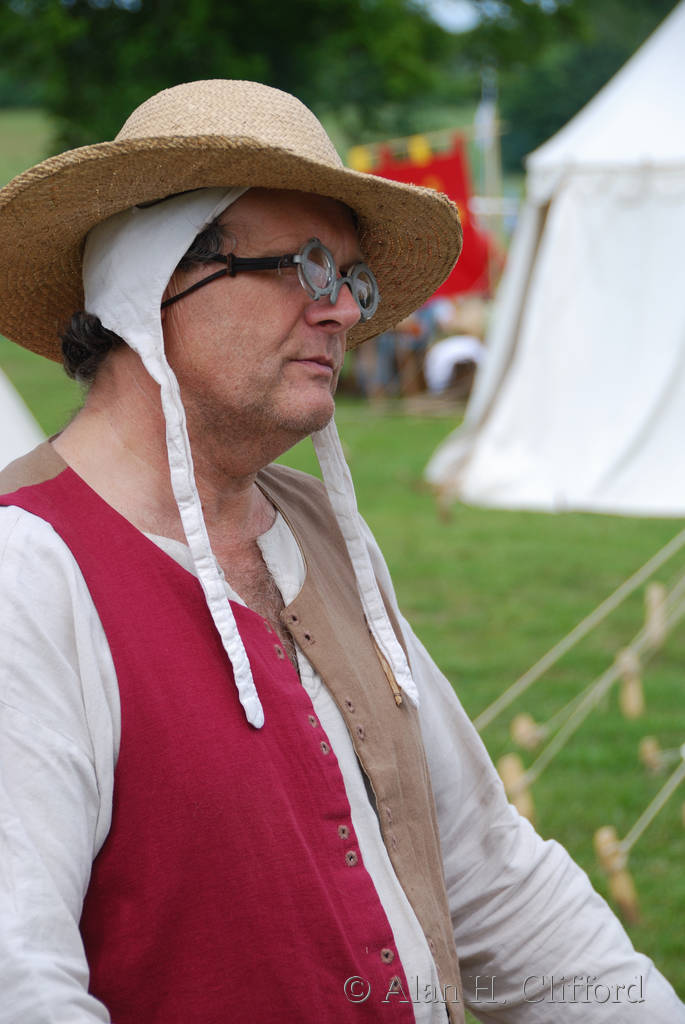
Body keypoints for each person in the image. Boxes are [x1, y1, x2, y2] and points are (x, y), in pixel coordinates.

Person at [0, 80, 682, 1024]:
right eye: (307, 267)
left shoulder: (318, 531)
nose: (343, 313)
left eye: (349, 280)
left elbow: (489, 877)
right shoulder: (27, 573)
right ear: (156, 281)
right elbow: (21, 983)